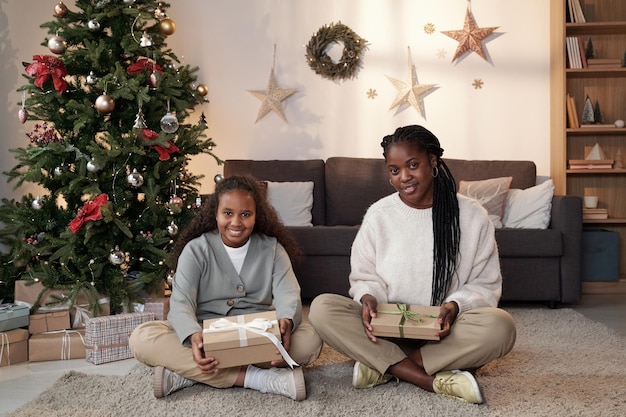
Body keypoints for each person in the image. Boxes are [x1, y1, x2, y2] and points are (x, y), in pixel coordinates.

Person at [308, 125, 516, 404]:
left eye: (413, 165)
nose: (404, 177)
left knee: (501, 327)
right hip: (388, 333)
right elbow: (364, 275)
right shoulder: (380, 214)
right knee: (322, 309)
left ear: (433, 161)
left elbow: (485, 284)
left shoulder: (472, 215)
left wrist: (454, 307)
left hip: (447, 334)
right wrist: (368, 297)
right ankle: (430, 379)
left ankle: (386, 367)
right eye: (394, 170)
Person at [129, 175, 322, 401]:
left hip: (258, 333)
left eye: (245, 214)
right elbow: (181, 303)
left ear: (256, 215)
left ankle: (188, 374)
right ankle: (259, 379)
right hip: (207, 333)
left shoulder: (272, 249)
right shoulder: (196, 250)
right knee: (141, 337)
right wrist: (192, 336)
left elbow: (288, 294)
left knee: (311, 340)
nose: (236, 222)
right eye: (228, 213)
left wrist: (286, 322)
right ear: (216, 213)